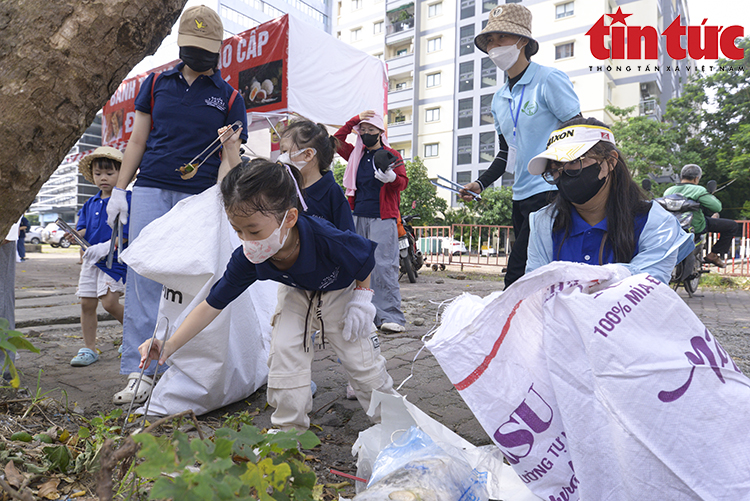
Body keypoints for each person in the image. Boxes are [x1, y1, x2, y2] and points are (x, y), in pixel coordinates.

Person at [138, 158, 398, 431]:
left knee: (361, 359)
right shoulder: (250, 258)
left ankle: (395, 425)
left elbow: (364, 259)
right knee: (284, 353)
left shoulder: (327, 239)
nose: (246, 240)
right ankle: (287, 432)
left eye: (254, 230)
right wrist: (169, 345)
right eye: (238, 230)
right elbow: (212, 304)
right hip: (296, 291)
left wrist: (362, 297)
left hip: (341, 289)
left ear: (290, 218)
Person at [106, 5, 248, 405]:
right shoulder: (154, 84)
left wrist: (225, 195)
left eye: (207, 50)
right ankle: (142, 372)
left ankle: (178, 367)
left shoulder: (230, 97)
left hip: (199, 198)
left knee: (185, 284)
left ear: (218, 50)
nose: (199, 56)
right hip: (151, 188)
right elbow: (136, 140)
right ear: (180, 44)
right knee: (144, 279)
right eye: (193, 48)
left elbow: (229, 160)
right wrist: (121, 188)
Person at [459, 4, 581, 288]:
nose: (493, 46)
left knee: (517, 274)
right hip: (521, 195)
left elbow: (577, 129)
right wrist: (480, 184)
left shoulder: (548, 79)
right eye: (489, 40)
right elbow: (506, 154)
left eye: (500, 38)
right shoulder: (499, 98)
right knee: (538, 273)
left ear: (522, 41)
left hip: (552, 191)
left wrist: (567, 178)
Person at [525, 118, 693, 284]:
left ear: (611, 161)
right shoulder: (545, 223)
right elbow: (534, 290)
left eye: (574, 161)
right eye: (554, 169)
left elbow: (644, 291)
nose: (562, 175)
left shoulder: (655, 223)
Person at [334, 110, 408, 333]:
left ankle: (389, 316)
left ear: (380, 132)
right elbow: (335, 141)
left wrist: (392, 178)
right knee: (354, 265)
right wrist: (354, 120)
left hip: (382, 217)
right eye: (362, 130)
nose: (366, 134)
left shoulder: (391, 154)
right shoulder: (356, 154)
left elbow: (403, 182)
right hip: (356, 215)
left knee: (384, 266)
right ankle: (358, 314)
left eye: (371, 130)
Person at [69, 147, 131, 367]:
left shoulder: (128, 199)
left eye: (109, 173)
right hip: (91, 260)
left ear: (122, 173)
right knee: (87, 303)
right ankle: (89, 348)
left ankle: (134, 336)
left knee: (110, 303)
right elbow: (82, 229)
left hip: (113, 260)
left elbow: (127, 232)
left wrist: (108, 246)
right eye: (98, 173)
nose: (103, 177)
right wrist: (74, 235)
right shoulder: (89, 203)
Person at [664, 164, 740, 268]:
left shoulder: (669, 191)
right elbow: (717, 207)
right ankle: (714, 254)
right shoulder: (699, 190)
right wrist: (710, 195)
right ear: (696, 179)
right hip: (696, 225)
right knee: (732, 226)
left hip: (673, 226)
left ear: (681, 177)